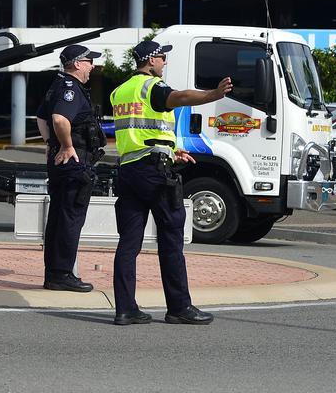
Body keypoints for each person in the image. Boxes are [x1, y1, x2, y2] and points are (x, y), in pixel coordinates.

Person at [109, 40, 232, 326]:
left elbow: (138, 132)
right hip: (154, 174)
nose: (164, 62)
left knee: (128, 244)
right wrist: (213, 93)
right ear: (150, 60)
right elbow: (181, 97)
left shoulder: (119, 91)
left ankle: (125, 309)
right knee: (171, 239)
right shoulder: (150, 87)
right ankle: (179, 307)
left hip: (129, 170)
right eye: (162, 58)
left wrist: (172, 149)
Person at [34, 43, 104, 292]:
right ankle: (62, 274)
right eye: (89, 62)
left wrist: (49, 143)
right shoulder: (70, 88)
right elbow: (58, 119)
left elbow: (41, 117)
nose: (92, 67)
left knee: (58, 218)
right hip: (73, 163)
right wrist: (66, 145)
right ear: (76, 64)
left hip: (62, 162)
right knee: (70, 219)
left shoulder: (57, 85)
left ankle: (55, 274)